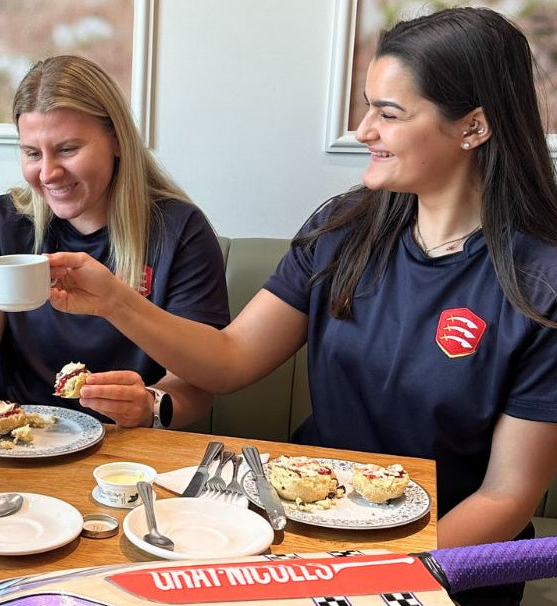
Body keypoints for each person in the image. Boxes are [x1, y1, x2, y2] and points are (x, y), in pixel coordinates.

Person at [47, 8, 557, 605]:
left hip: (440, 559)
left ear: (473, 126)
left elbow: (506, 497)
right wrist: (115, 301)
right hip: (302, 532)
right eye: (368, 106)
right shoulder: (341, 229)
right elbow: (231, 360)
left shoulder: (541, 285)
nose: (364, 129)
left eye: (388, 113)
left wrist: (369, 576)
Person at [0, 55, 230, 428]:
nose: (48, 173)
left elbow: (200, 382)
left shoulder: (179, 230)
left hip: (129, 447)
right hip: (20, 437)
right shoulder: (6, 222)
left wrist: (149, 405)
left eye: (68, 149)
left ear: (117, 141)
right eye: (32, 153)